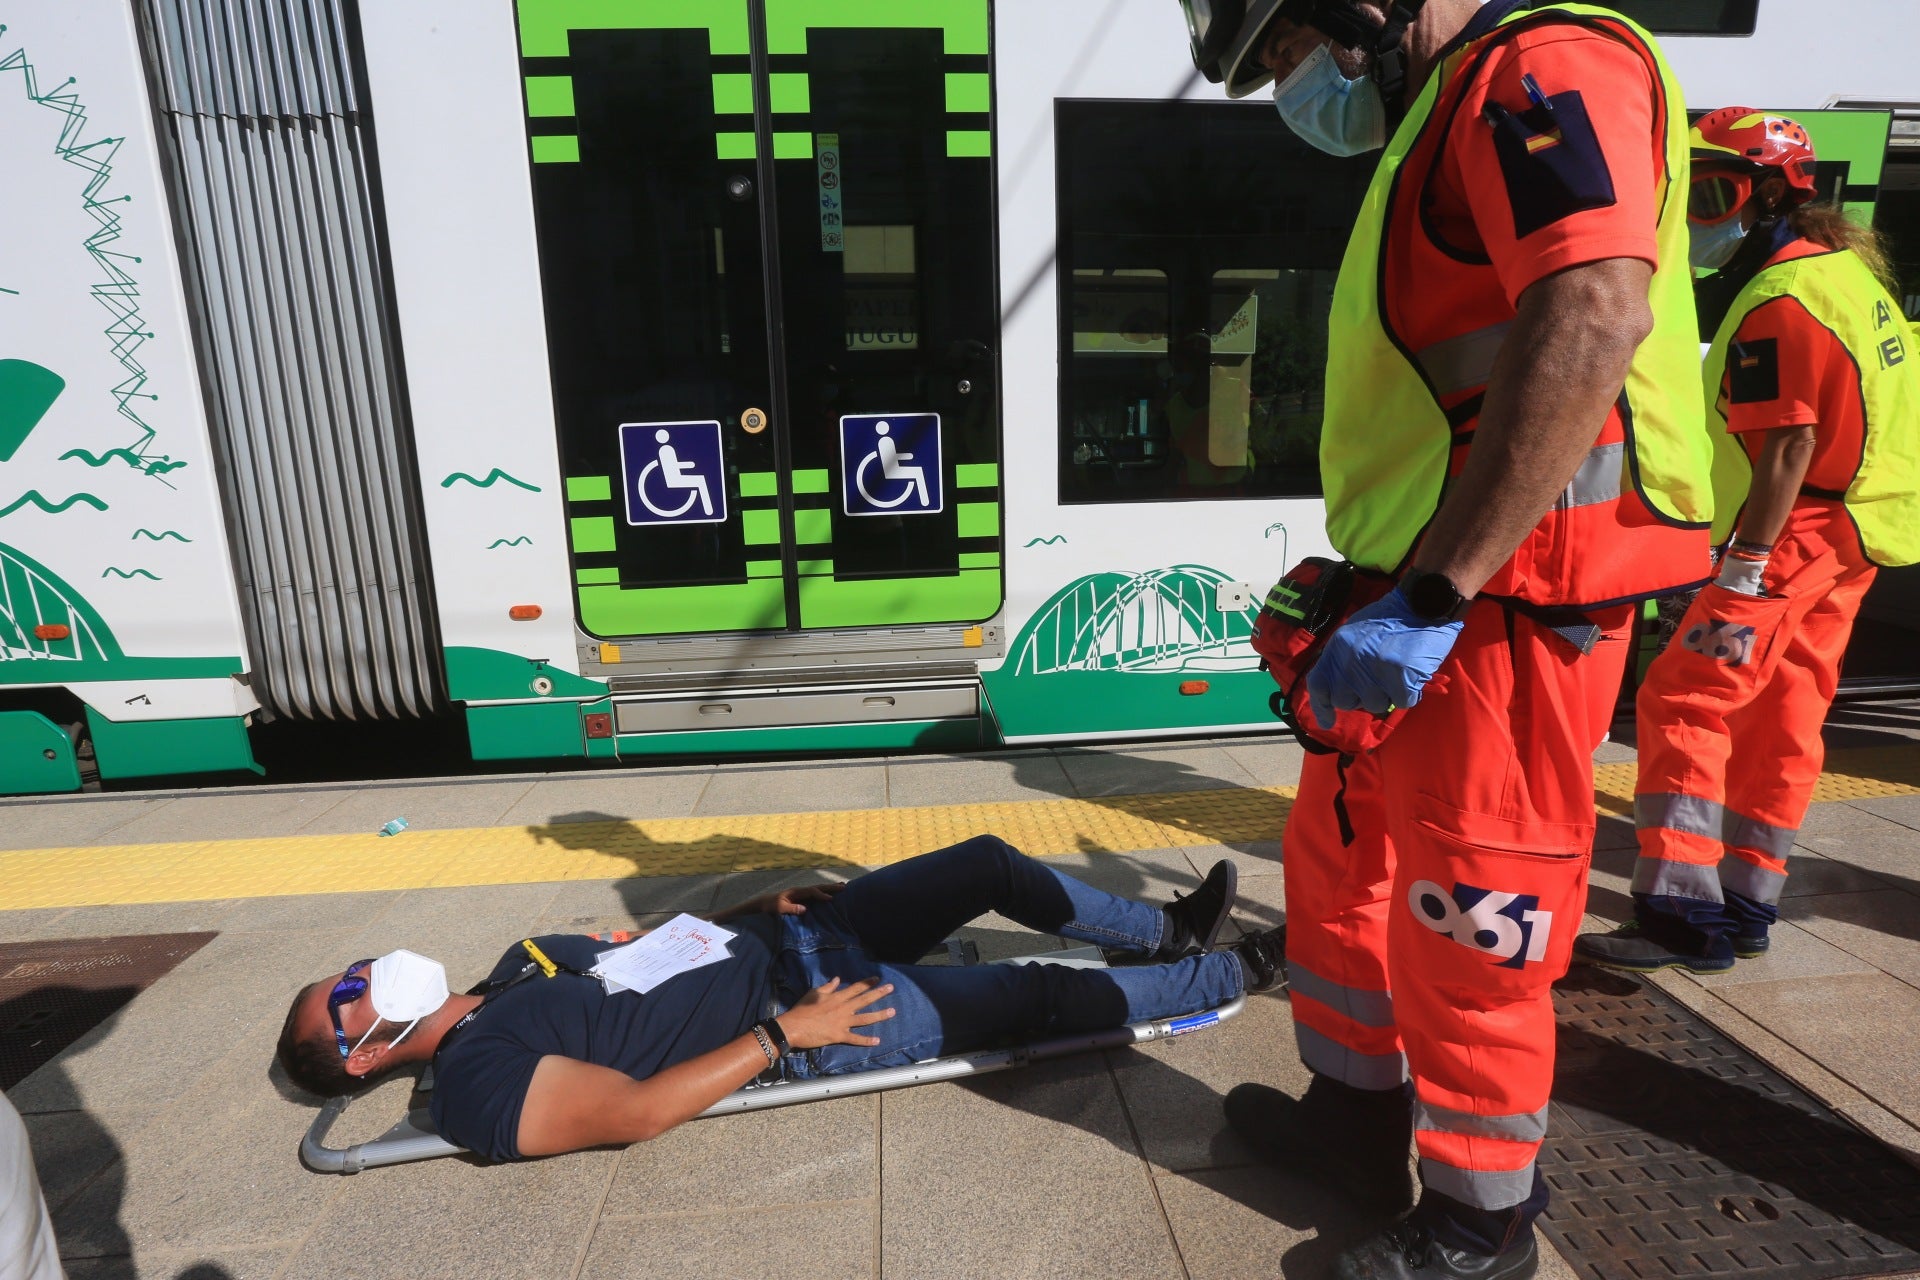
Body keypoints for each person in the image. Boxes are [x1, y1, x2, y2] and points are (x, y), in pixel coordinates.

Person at [1178, 1, 1717, 1275]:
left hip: (1502, 608)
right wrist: (1401, 591)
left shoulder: (1540, 69)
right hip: (1420, 594)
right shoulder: (1447, 104)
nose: (1287, 89)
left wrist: (1436, 591)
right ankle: (1358, 1123)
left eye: (1284, 55)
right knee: (1343, 865)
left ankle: (1482, 1221)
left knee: (1472, 912)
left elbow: (1593, 310)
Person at [276, 836, 1283, 1163]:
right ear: (364, 1057)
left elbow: (643, 950)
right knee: (1026, 994)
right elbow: (630, 1112)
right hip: (812, 1011)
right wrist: (778, 1033)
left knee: (986, 860)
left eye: (351, 969)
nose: (368, 973)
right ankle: (1239, 970)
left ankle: (1169, 931)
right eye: (350, 999)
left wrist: (741, 903)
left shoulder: (516, 961)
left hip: (791, 933)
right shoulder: (473, 1083)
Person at [1574, 110, 1920, 975]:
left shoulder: (1782, 301)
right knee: (1785, 716)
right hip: (1848, 537)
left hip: (1785, 541)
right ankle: (1747, 902)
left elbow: (1788, 445)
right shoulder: (1850, 280)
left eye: (1715, 194)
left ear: (1771, 196)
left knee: (1682, 700)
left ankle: (1678, 915)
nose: (1697, 217)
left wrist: (1741, 569)